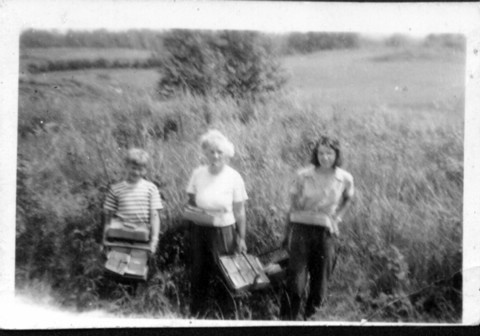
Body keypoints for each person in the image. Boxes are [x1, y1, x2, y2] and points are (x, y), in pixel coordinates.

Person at [280, 135, 354, 320]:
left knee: (319, 286)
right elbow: (292, 206)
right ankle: (286, 323)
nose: (325, 157)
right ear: (316, 154)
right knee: (295, 284)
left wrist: (338, 217)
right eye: (321, 152)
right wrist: (286, 234)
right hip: (300, 232)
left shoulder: (344, 178)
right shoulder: (303, 175)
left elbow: (348, 198)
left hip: (326, 234)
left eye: (329, 153)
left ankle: (311, 322)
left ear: (337, 155)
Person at [185, 129, 248, 317]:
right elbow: (191, 201)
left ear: (227, 154)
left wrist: (241, 237)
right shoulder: (198, 173)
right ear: (205, 153)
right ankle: (197, 314)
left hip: (224, 232)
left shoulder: (234, 176)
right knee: (198, 272)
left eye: (219, 152)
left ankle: (226, 315)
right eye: (211, 151)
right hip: (199, 229)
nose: (215, 155)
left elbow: (240, 210)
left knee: (225, 273)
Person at [103, 148, 163, 254]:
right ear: (126, 166)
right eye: (133, 168)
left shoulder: (151, 188)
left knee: (137, 267)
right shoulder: (116, 189)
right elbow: (108, 217)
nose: (136, 172)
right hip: (119, 236)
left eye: (140, 169)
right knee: (116, 267)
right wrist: (105, 238)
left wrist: (154, 239)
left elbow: (154, 215)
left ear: (145, 170)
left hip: (142, 236)